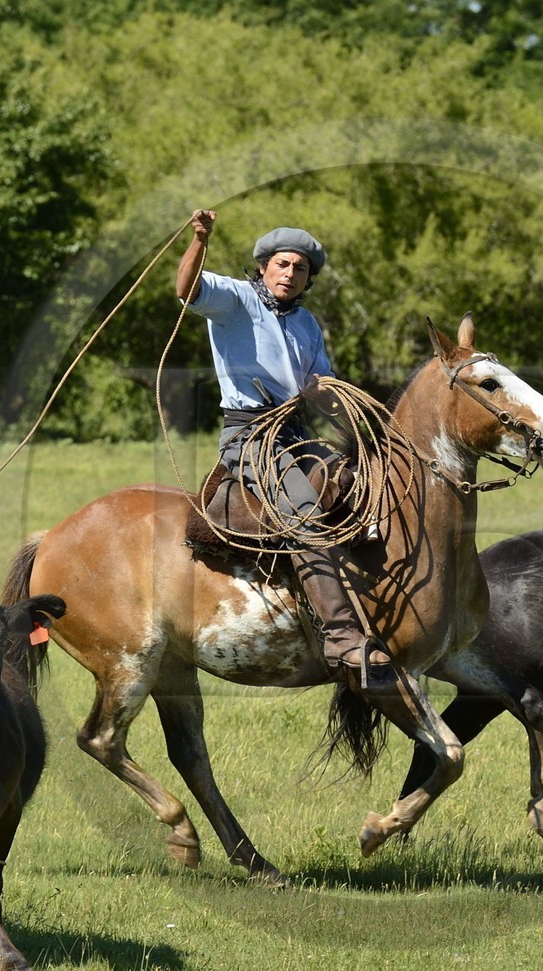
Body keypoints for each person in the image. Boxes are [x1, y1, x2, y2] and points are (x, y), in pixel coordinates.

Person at [175, 208, 389, 673]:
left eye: (300, 268)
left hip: (295, 434)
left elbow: (321, 385)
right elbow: (187, 289)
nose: (290, 274)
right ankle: (340, 636)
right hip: (250, 435)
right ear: (263, 266)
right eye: (283, 264)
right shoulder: (233, 299)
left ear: (309, 279)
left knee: (365, 487)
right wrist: (200, 239)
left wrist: (364, 421)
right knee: (305, 514)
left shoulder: (307, 323)